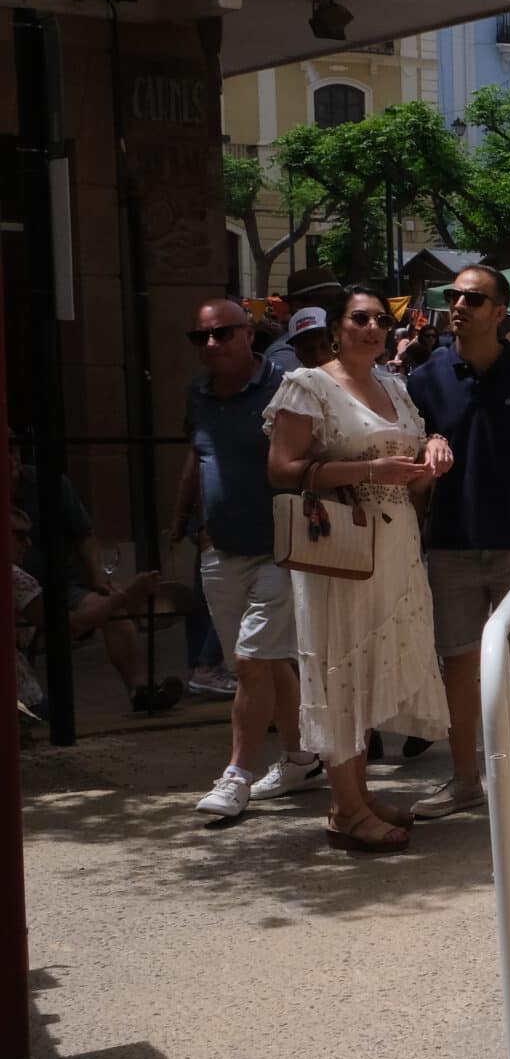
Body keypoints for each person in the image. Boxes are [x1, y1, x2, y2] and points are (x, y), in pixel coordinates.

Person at [263, 288, 451, 852]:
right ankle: (346, 809)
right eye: (359, 318)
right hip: (338, 548)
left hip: (396, 546)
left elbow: (412, 473)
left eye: (379, 319)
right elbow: (281, 469)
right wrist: (366, 467)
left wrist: (435, 451)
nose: (372, 327)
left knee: (370, 668)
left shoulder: (396, 387)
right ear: (337, 328)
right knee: (340, 666)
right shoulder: (308, 385)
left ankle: (358, 793)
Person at [405, 263, 510, 819]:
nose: (459, 305)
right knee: (458, 665)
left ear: (501, 312)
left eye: (473, 299)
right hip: (449, 545)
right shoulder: (424, 379)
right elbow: (412, 469)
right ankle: (464, 780)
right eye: (454, 296)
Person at [176, 298, 319, 818]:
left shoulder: (288, 387)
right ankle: (300, 756)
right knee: (270, 659)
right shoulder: (197, 393)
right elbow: (198, 455)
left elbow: (316, 455)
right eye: (201, 337)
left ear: (250, 333)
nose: (212, 344)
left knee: (250, 661)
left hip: (280, 548)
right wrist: (183, 519)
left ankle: (236, 774)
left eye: (223, 334)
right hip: (221, 548)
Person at [10, 438, 180, 714]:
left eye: (12, 449)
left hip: (55, 583)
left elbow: (84, 534)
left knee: (111, 611)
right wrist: (127, 593)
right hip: (19, 584)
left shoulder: (48, 483)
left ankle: (139, 689)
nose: (10, 459)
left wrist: (99, 577)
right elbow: (71, 626)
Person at [266, 304, 330, 377]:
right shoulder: (290, 385)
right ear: (298, 353)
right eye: (309, 351)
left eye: (325, 347)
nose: (319, 357)